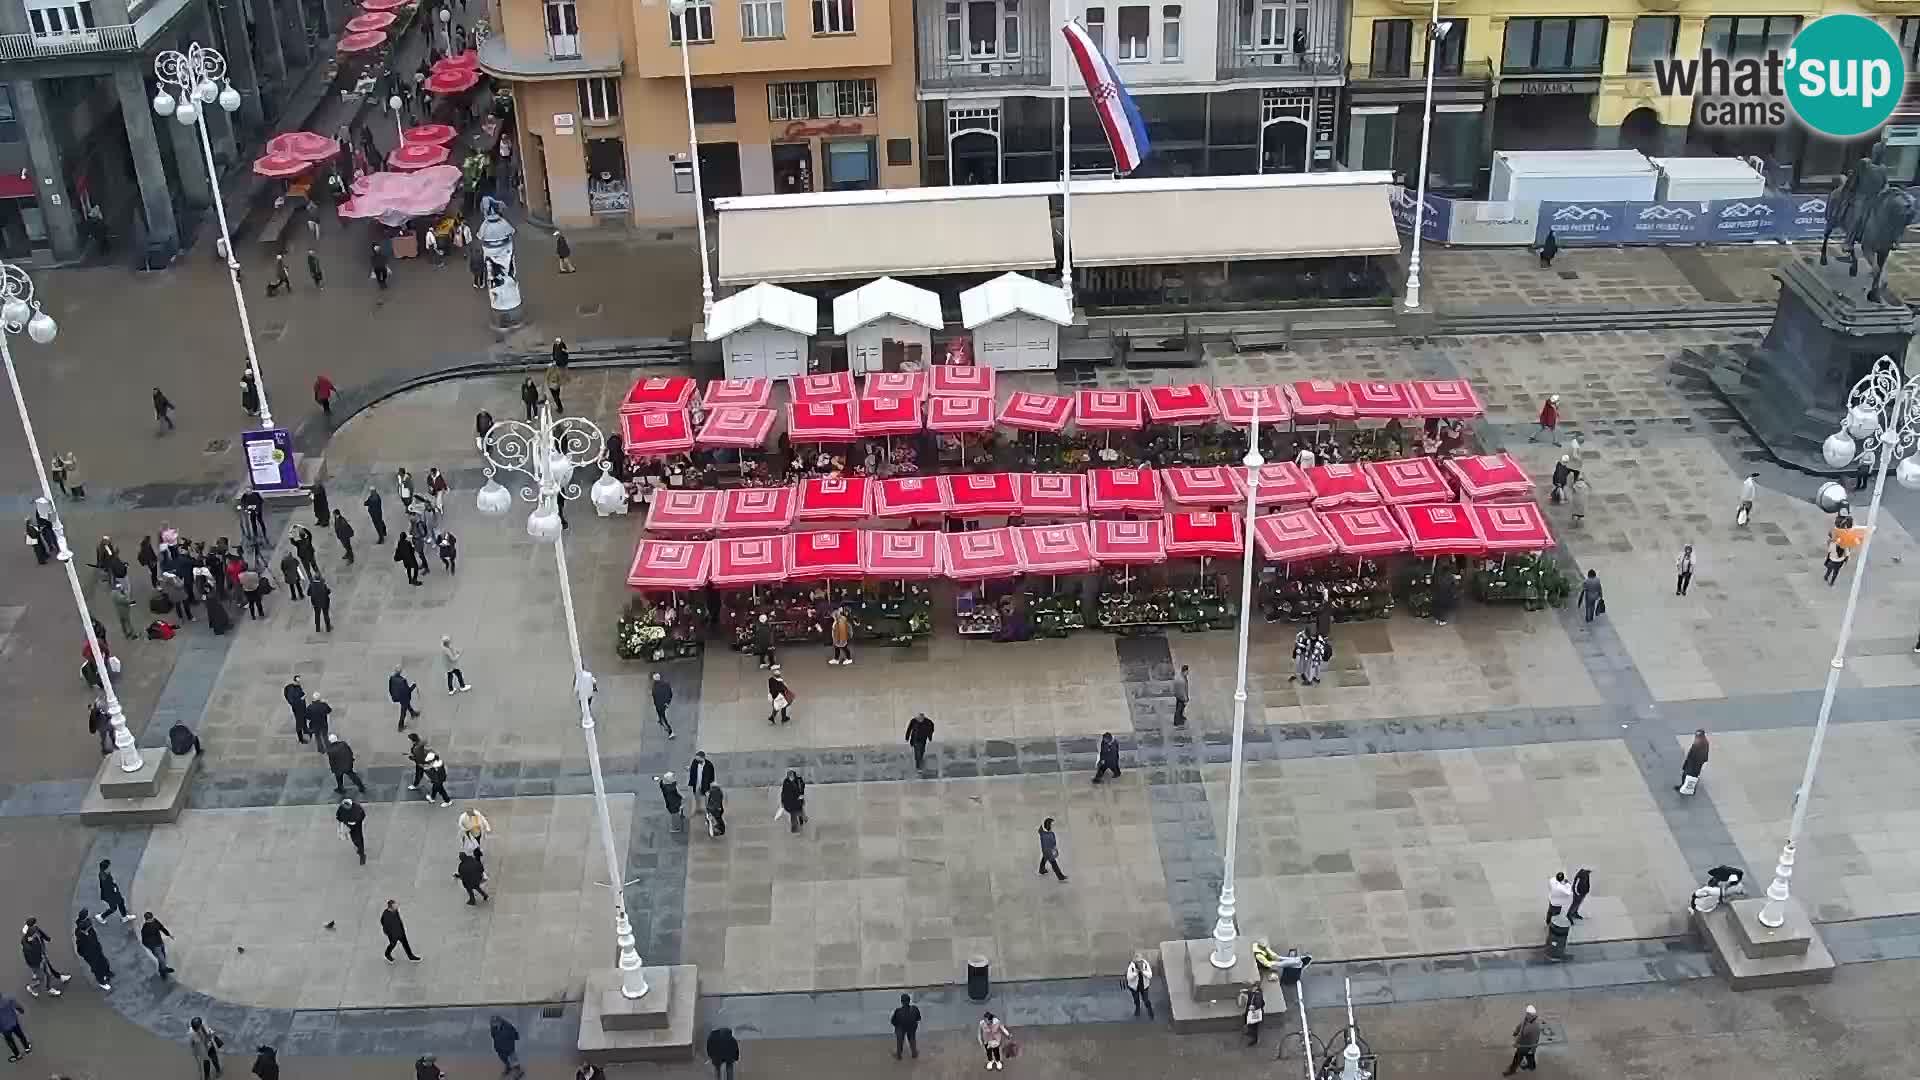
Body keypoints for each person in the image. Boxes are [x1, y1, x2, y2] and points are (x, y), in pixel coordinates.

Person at [20, 918, 67, 997]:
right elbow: (31, 956)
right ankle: (33, 987)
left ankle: (57, 979)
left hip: (41, 958)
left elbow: (40, 934)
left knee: (47, 972)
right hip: (37, 962)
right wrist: (40, 961)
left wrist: (47, 939)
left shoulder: (33, 931)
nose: (36, 933)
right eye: (35, 934)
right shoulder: (27, 945)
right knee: (42, 978)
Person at [72, 911, 111, 991]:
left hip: (97, 951)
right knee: (97, 969)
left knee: (104, 962)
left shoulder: (90, 931)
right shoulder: (80, 939)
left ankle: (107, 973)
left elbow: (95, 939)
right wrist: (88, 956)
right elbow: (80, 951)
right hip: (91, 956)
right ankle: (101, 982)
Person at [1504, 1004, 1541, 1074]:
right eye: (1527, 1013)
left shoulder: (1535, 1028)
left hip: (1526, 1047)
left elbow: (1535, 1041)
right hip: (1521, 1044)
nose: (1527, 1015)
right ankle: (1528, 1066)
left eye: (1528, 1014)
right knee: (1524, 1058)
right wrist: (1516, 1031)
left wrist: (1532, 1050)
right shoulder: (1526, 1019)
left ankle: (1512, 1070)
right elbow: (1521, 1026)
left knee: (1520, 1058)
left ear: (1533, 1016)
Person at [885, 992, 922, 1059]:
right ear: (909, 1001)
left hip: (901, 1028)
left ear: (901, 1002)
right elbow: (919, 1018)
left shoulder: (898, 1011)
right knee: (912, 1039)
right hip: (912, 1027)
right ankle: (914, 1053)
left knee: (900, 1040)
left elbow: (893, 1021)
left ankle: (899, 1055)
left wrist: (897, 1026)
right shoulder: (915, 1008)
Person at [140, 912, 174, 977]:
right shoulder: (145, 929)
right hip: (155, 947)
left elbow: (162, 928)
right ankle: (163, 971)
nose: (152, 919)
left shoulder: (155, 921)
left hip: (160, 943)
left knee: (162, 957)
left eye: (152, 918)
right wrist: (152, 948)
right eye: (150, 919)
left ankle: (161, 970)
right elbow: (144, 941)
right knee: (162, 959)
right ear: (147, 920)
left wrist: (169, 935)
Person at [335, 797, 368, 864]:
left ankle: (362, 855)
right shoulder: (341, 808)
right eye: (345, 806)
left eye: (347, 806)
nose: (346, 808)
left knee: (359, 838)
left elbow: (362, 815)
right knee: (353, 838)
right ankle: (358, 847)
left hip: (357, 825)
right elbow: (339, 817)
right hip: (348, 825)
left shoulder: (357, 807)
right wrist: (341, 829)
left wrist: (358, 822)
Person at [1678, 729, 1709, 794]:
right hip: (1693, 762)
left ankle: (1686, 787)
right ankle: (1685, 786)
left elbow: (1702, 755)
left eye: (1698, 735)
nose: (1696, 737)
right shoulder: (1700, 742)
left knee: (1688, 775)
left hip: (1694, 764)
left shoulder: (1701, 744)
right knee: (1688, 775)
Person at [1037, 817, 1067, 881]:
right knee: (1054, 864)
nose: (1051, 826)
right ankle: (1060, 876)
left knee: (1044, 858)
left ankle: (1041, 870)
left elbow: (1040, 830)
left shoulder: (1042, 833)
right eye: (1050, 825)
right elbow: (1054, 844)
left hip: (1045, 851)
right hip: (1049, 852)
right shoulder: (1051, 834)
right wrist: (1055, 851)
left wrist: (1042, 826)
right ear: (1049, 826)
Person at [0, 991, 26, 1060]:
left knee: (10, 1041)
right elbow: (17, 1006)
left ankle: (17, 1055)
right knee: (20, 1035)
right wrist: (21, 1011)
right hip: (14, 1021)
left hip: (4, 1028)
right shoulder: (8, 998)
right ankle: (27, 1047)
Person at [651, 672, 675, 736]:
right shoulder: (666, 684)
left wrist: (656, 704)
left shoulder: (654, 688)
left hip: (659, 706)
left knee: (663, 718)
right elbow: (670, 693)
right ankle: (660, 719)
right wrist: (667, 702)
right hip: (664, 704)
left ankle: (670, 732)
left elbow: (655, 698)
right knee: (661, 715)